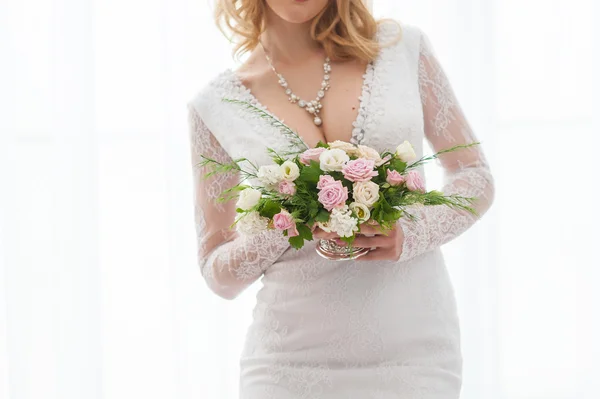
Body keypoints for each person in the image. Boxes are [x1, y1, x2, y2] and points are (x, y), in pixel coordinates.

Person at [186, 0, 495, 397]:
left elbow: (474, 175)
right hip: (287, 366)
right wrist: (287, 224)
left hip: (413, 352)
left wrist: (411, 231)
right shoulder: (215, 105)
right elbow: (217, 271)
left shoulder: (403, 49)